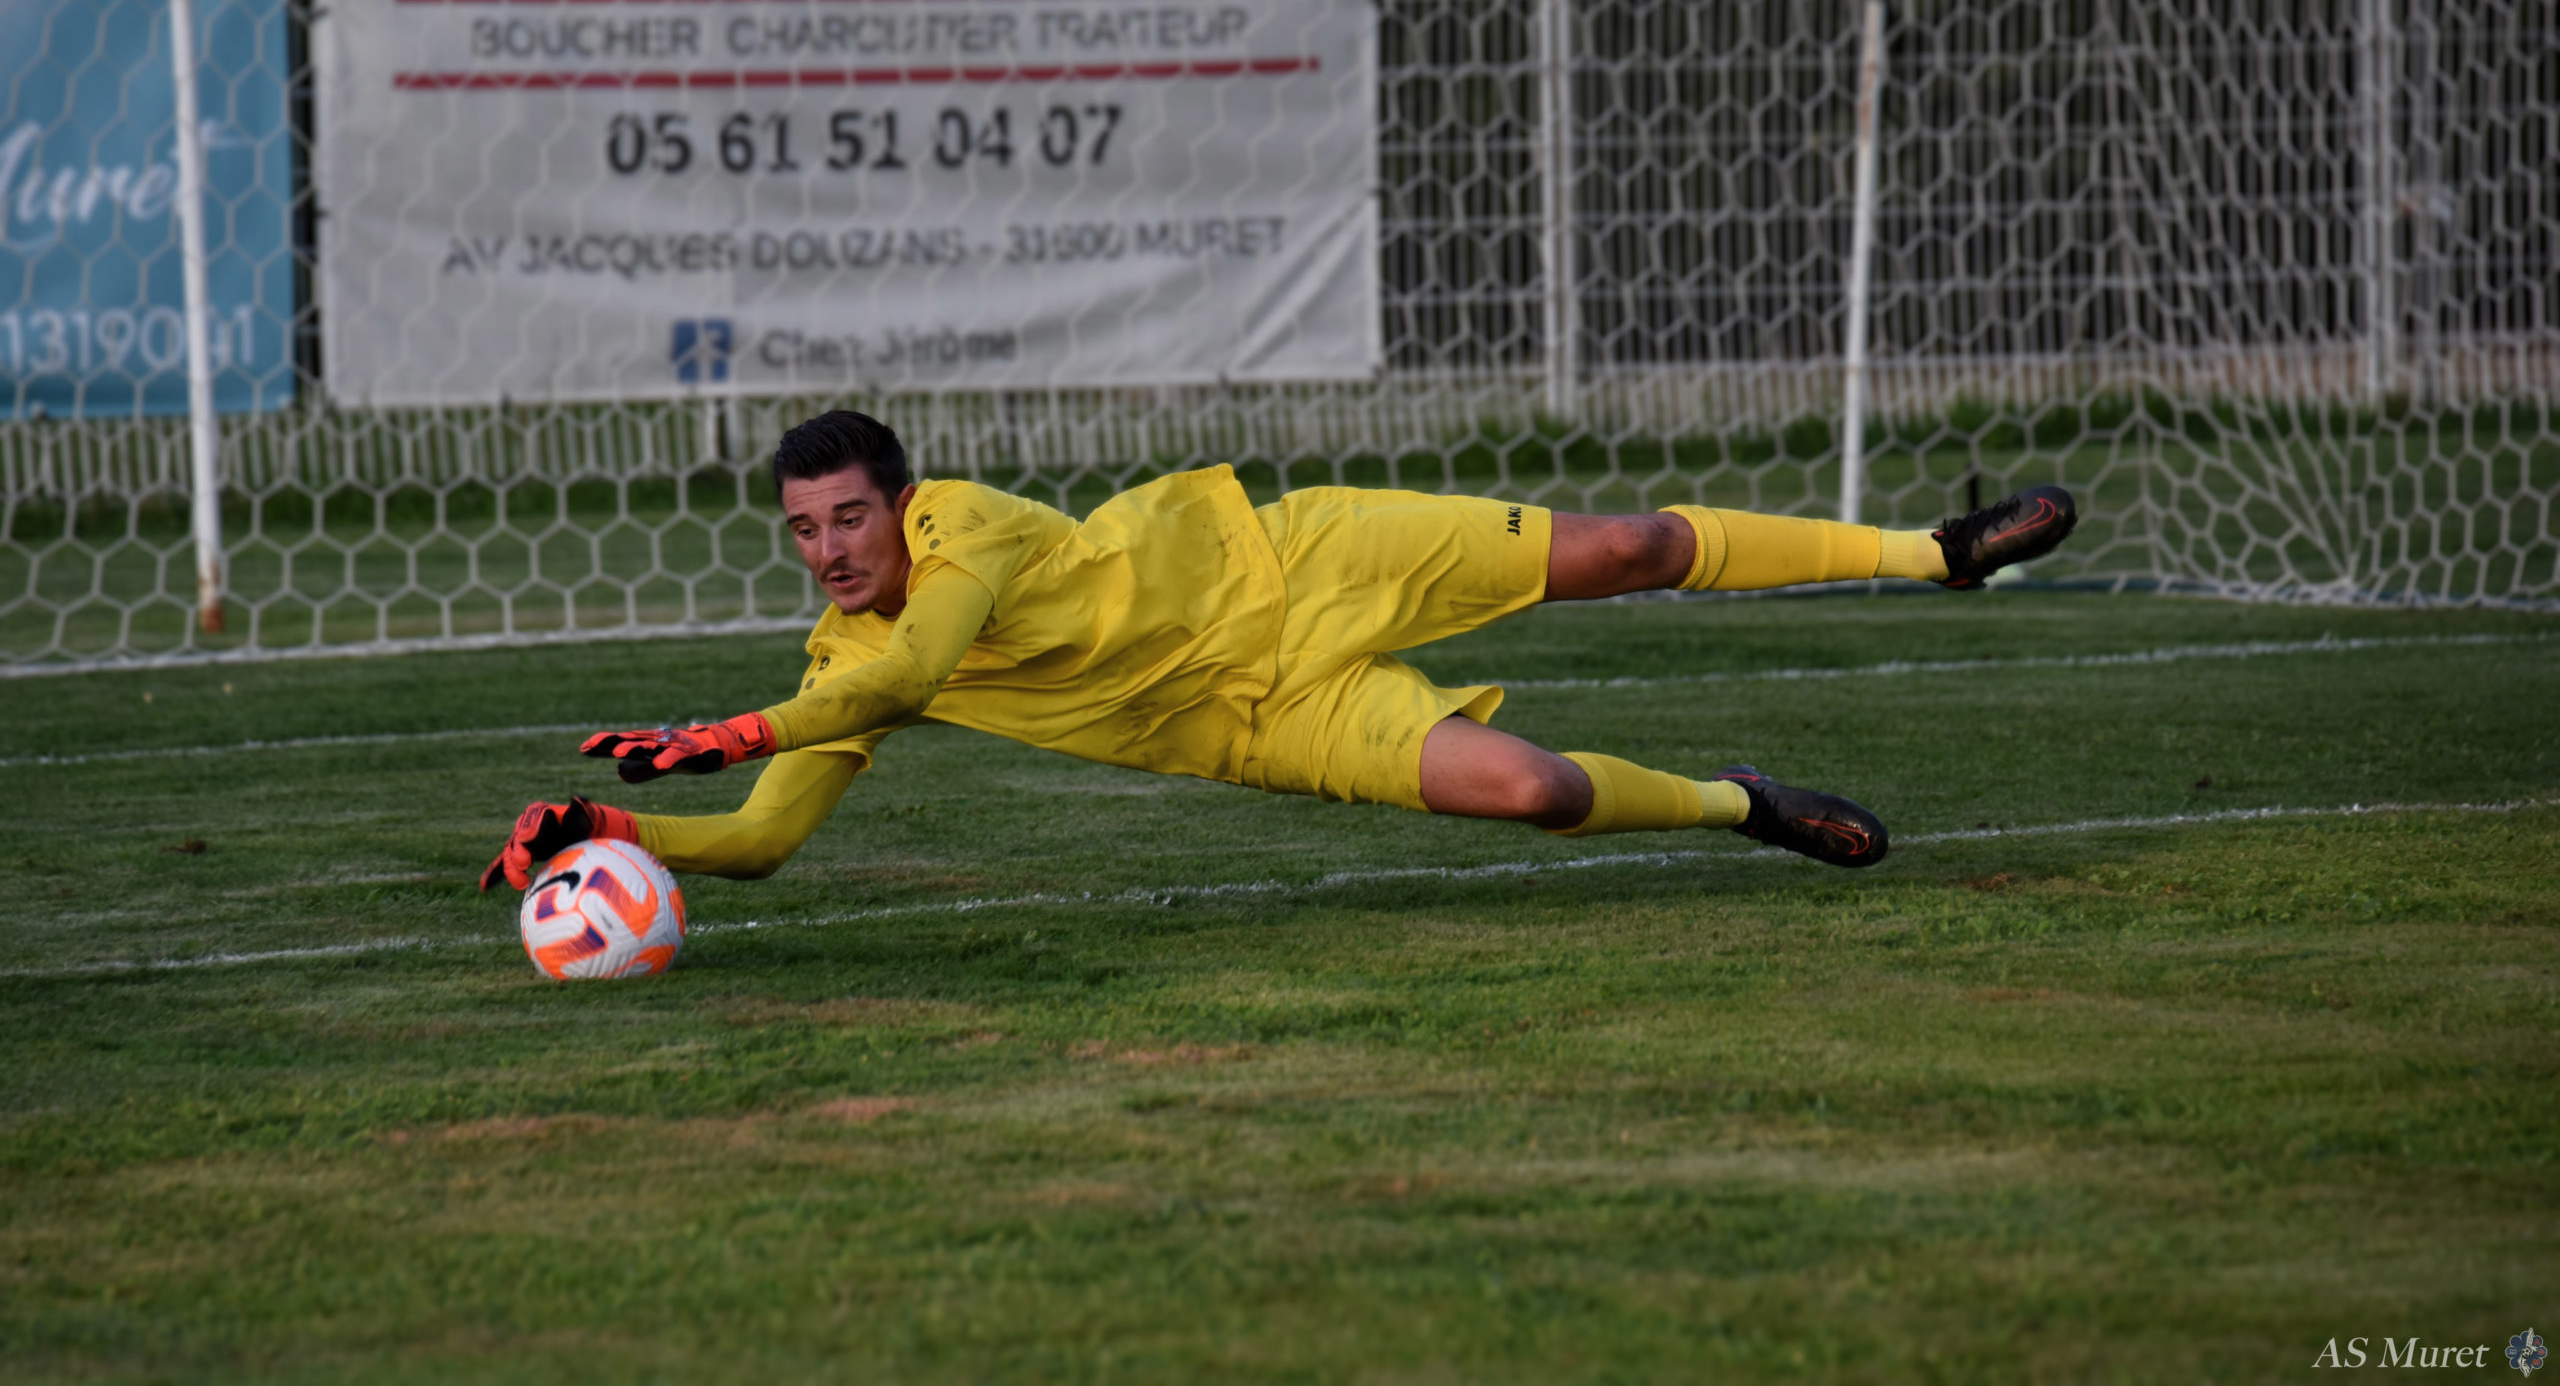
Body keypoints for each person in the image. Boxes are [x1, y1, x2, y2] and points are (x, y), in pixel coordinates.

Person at [481, 409, 2077, 893]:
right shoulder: (839, 658)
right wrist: (617, 825)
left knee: (1630, 547)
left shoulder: (963, 528)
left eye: (848, 517)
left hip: (1294, 556)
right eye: (803, 532)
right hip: (1262, 721)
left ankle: (1931, 552)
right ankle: (1746, 801)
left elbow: (918, 666)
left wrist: (733, 725)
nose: (831, 548)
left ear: (899, 501)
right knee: (1532, 793)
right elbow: (762, 840)